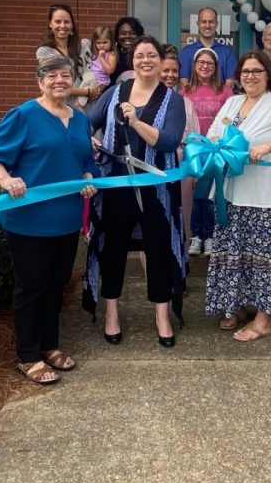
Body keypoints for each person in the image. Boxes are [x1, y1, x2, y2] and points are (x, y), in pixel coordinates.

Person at [0, 55, 98, 385]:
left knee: (56, 284)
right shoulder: (24, 115)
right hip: (29, 221)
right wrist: (6, 181)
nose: (59, 80)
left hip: (67, 219)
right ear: (39, 81)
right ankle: (28, 356)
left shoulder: (79, 119)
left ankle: (50, 345)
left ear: (73, 80)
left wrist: (88, 176)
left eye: (65, 74)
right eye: (51, 75)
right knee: (31, 287)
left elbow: (86, 160)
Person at [205, 50, 271, 341]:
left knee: (268, 259)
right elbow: (215, 133)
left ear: (269, 75)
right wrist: (212, 146)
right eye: (245, 71)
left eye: (257, 71)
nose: (250, 76)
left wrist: (269, 147)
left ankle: (265, 320)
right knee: (237, 255)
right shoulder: (232, 102)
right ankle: (238, 305)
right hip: (236, 194)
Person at [87, 35, 186, 347]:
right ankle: (111, 313)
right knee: (113, 248)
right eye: (140, 55)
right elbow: (87, 123)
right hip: (117, 185)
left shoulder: (173, 99)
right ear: (132, 62)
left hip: (157, 187)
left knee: (157, 248)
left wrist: (136, 122)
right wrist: (87, 139)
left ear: (160, 61)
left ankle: (161, 314)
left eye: (152, 55)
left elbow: (169, 141)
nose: (146, 60)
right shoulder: (114, 92)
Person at [180, 47, 233, 256]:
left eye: (209, 63)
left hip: (215, 150)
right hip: (194, 150)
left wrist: (221, 141)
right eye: (201, 62)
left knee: (211, 194)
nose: (205, 66)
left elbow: (229, 120)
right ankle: (195, 235)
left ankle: (210, 236)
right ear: (194, 66)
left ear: (216, 67)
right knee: (195, 194)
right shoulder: (185, 92)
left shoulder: (225, 92)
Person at [160, 48, 199, 257]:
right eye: (165, 70)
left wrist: (193, 173)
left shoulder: (186, 103)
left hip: (182, 167)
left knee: (183, 219)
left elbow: (194, 139)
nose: (170, 75)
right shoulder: (147, 102)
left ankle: (181, 270)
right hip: (155, 168)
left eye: (174, 71)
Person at [36, 3, 100, 105]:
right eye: (58, 21)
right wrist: (88, 92)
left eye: (66, 22)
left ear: (72, 25)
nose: (62, 26)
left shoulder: (82, 47)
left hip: (86, 106)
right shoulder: (45, 51)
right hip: (59, 106)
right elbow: (55, 84)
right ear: (50, 24)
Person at [178, 7, 237, 91]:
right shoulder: (186, 52)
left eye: (211, 22)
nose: (207, 25)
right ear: (198, 24)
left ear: (216, 24)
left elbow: (230, 84)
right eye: (203, 22)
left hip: (221, 103)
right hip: (193, 102)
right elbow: (184, 82)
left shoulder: (227, 53)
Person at [78, 25, 117, 107]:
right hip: (91, 77)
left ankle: (84, 118)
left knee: (78, 103)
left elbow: (110, 70)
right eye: (98, 43)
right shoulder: (95, 52)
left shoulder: (111, 55)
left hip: (99, 80)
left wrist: (102, 58)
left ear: (111, 42)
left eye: (105, 42)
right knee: (87, 103)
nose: (101, 45)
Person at [112, 16, 144, 82]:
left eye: (132, 33)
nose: (127, 36)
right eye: (123, 33)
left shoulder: (144, 57)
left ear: (139, 35)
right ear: (117, 36)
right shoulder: (112, 56)